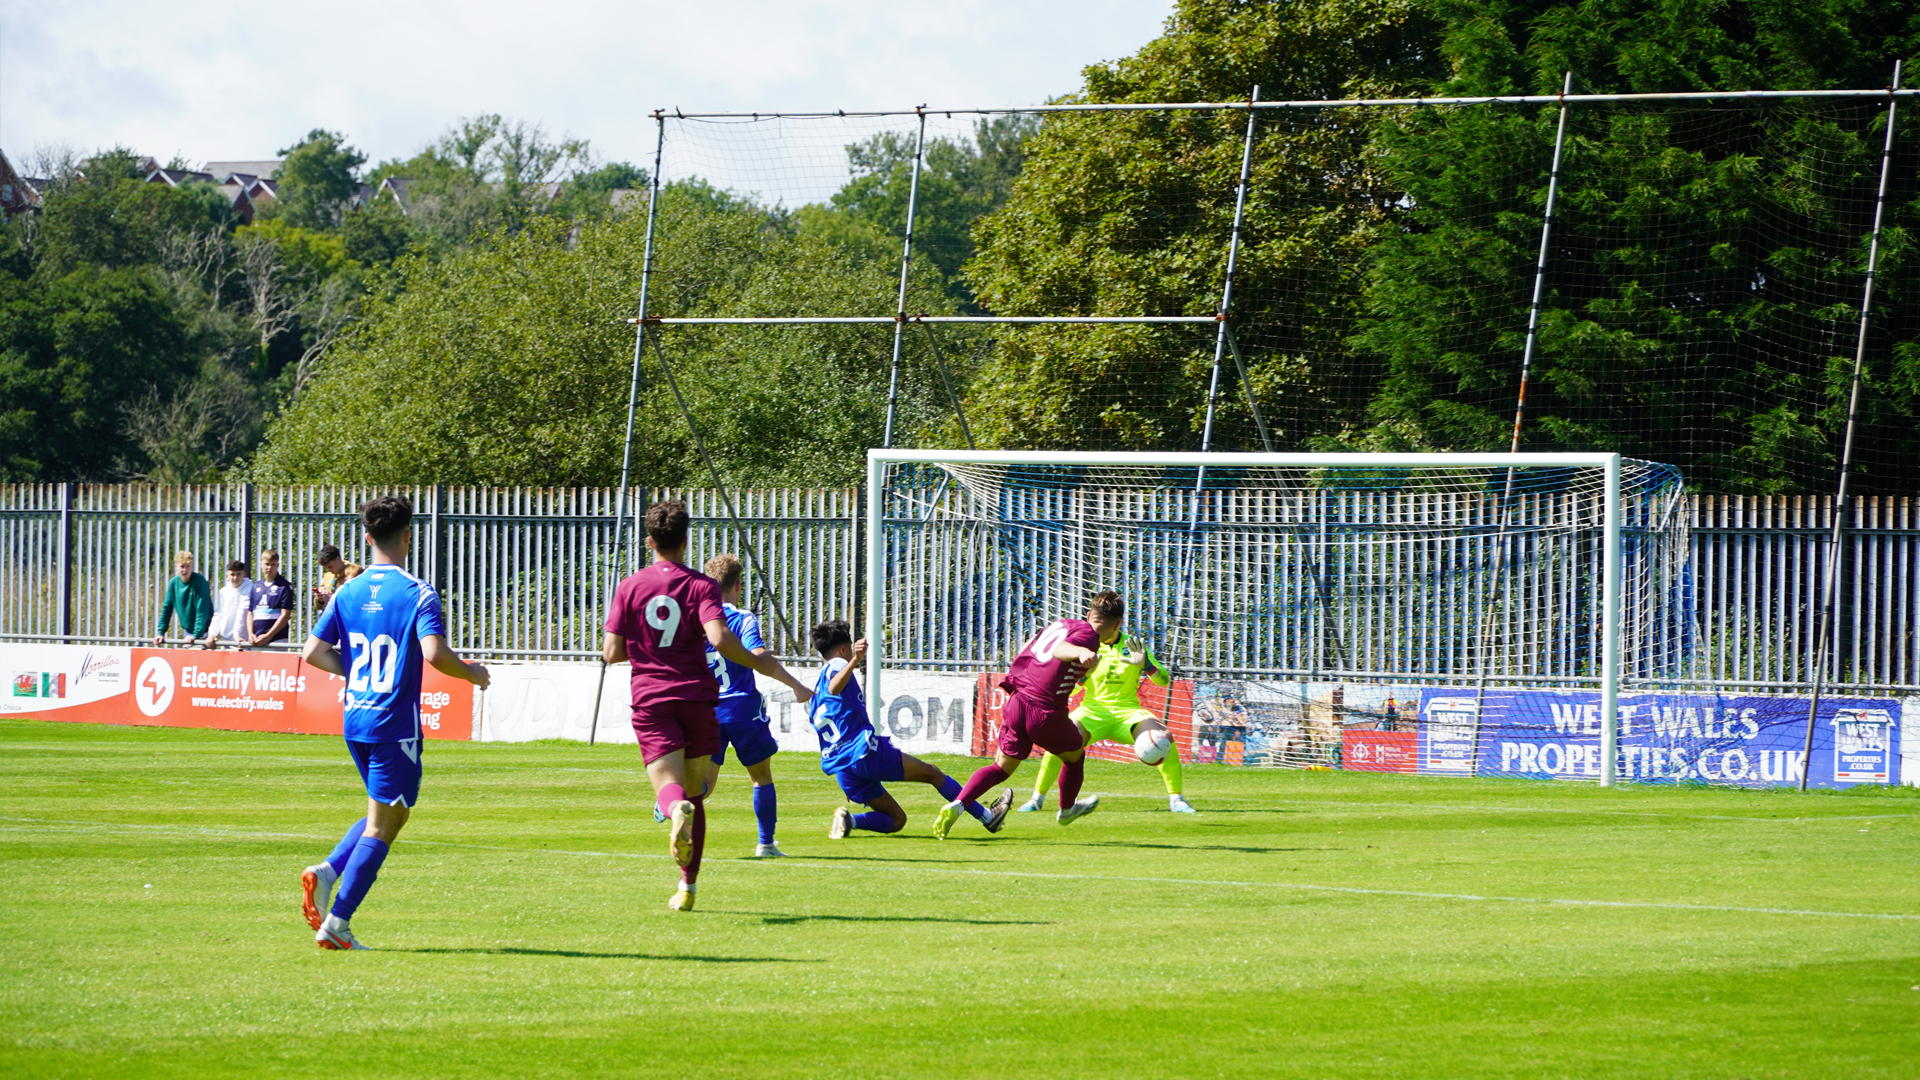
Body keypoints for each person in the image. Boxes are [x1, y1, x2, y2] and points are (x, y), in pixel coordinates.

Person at [297, 495, 490, 951]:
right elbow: (434, 653)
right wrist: (473, 673)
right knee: (384, 825)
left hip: (356, 720)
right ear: (408, 535)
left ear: (366, 538)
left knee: (389, 812)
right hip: (393, 725)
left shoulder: (347, 591)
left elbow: (312, 653)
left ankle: (326, 874)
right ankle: (337, 923)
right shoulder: (418, 592)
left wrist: (359, 671)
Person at [603, 500, 813, 912]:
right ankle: (687, 889)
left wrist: (648, 649)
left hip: (653, 696)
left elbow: (611, 651)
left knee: (672, 789)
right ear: (685, 540)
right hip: (700, 697)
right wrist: (758, 662)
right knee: (697, 793)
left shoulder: (630, 586)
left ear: (650, 542)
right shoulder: (701, 586)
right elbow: (718, 638)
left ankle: (673, 811)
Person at [932, 592, 1115, 838]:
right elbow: (1060, 650)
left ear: (1088, 614)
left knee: (1000, 768)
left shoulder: (1062, 624)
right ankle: (1067, 809)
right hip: (1045, 711)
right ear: (1117, 625)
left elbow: (1035, 651)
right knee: (1075, 757)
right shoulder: (1089, 636)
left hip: (1019, 701)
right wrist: (1080, 653)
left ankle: (959, 803)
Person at [807, 620, 1011, 839]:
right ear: (842, 649)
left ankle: (849, 820)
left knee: (897, 819)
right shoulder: (837, 665)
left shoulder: (816, 690)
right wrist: (856, 659)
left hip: (843, 768)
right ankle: (988, 817)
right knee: (933, 774)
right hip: (863, 754)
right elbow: (834, 686)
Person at [1018, 603, 1196, 814]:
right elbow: (1070, 691)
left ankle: (1176, 800)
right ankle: (1037, 800)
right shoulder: (1081, 647)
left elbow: (1164, 680)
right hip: (1092, 711)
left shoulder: (1134, 645)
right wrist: (1084, 676)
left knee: (1164, 735)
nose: (1096, 630)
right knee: (1059, 741)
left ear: (1118, 624)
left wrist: (1147, 666)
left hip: (1128, 712)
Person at [699, 553, 811, 858]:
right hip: (742, 708)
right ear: (738, 585)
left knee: (706, 783)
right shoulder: (742, 618)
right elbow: (759, 655)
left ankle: (675, 800)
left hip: (707, 710)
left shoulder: (697, 619)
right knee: (761, 776)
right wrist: (797, 685)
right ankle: (766, 844)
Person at [152, 550, 213, 648]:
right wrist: (161, 632)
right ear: (176, 567)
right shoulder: (174, 583)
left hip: (204, 633)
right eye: (182, 566)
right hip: (188, 632)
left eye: (188, 566)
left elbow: (202, 609)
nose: (185, 570)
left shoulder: (200, 581)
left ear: (192, 566)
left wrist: (196, 635)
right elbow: (167, 608)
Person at [249, 548, 295, 648]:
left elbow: (285, 615)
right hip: (257, 640)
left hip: (277, 640)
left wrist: (269, 635)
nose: (269, 567)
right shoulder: (255, 586)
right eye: (267, 564)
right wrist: (250, 634)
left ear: (277, 565)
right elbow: (250, 613)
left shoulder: (284, 586)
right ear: (261, 564)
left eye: (273, 564)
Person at [204, 560, 254, 648]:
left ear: (244, 575)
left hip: (243, 641)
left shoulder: (251, 589)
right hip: (225, 640)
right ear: (227, 575)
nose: (235, 578)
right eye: (232, 574)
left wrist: (237, 636)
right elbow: (219, 613)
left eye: (239, 574)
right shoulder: (224, 591)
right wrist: (212, 634)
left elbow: (242, 612)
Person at [312, 544, 364, 614]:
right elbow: (319, 606)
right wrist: (320, 600)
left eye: (330, 566)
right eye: (327, 568)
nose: (329, 570)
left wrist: (331, 598)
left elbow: (357, 600)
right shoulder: (327, 576)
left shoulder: (354, 573)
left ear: (338, 559)